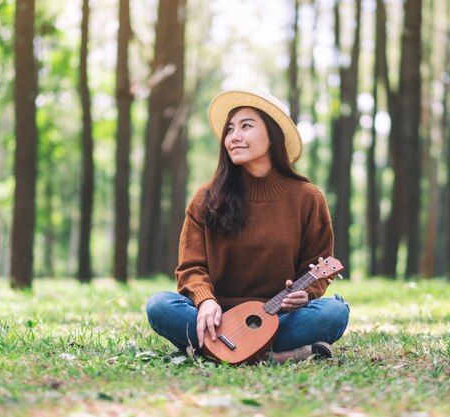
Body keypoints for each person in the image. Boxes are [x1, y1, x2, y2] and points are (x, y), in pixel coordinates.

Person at [146, 89, 350, 363]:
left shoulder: (307, 198)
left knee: (334, 312)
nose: (234, 137)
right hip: (215, 317)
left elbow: (318, 267)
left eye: (246, 126)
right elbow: (190, 267)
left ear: (273, 134)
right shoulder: (206, 198)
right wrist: (206, 301)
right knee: (160, 306)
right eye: (230, 129)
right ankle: (276, 356)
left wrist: (305, 295)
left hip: (279, 316)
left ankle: (214, 352)